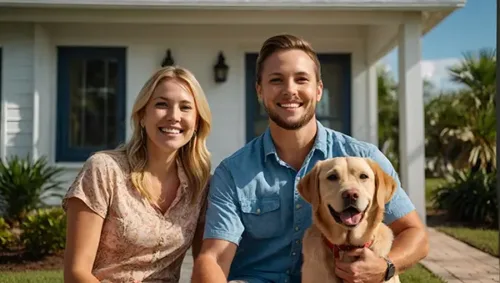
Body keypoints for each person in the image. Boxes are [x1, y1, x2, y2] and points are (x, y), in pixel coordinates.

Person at [191, 34, 429, 283]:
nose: (290, 90)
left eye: (301, 79)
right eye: (276, 80)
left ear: (318, 90)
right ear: (260, 91)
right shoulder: (233, 172)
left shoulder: (364, 158)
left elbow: (415, 234)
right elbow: (215, 258)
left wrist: (386, 266)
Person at [62, 66, 212, 283]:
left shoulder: (201, 184)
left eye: (185, 107)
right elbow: (76, 272)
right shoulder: (104, 170)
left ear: (197, 122)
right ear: (142, 115)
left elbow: (204, 265)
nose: (174, 116)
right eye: (162, 104)